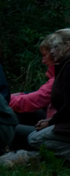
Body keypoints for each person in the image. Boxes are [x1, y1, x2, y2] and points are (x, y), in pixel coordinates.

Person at [28, 29, 70, 160]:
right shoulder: (64, 67)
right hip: (64, 121)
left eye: (55, 47)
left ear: (67, 46)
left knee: (34, 139)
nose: (52, 52)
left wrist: (52, 121)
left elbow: (69, 105)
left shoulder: (68, 68)